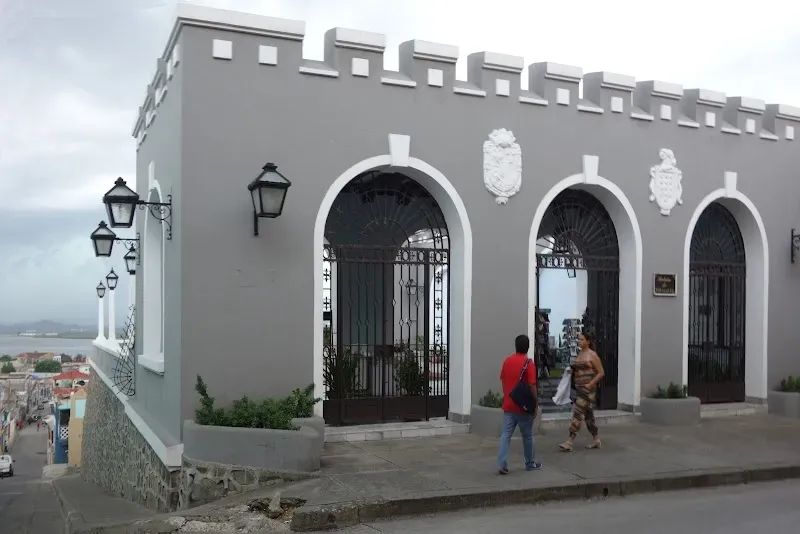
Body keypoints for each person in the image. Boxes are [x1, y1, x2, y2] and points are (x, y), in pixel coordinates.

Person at [497, 334, 542, 474]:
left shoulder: (507, 361)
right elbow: (532, 385)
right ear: (528, 347)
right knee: (527, 435)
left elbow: (503, 381)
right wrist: (535, 403)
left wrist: (507, 397)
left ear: (515, 346)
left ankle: (502, 464)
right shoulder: (529, 364)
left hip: (509, 405)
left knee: (506, 434)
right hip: (523, 407)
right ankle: (530, 463)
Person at [559, 331, 604, 452]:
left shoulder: (592, 355)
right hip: (579, 389)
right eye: (579, 339)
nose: (579, 341)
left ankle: (569, 441)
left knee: (577, 413)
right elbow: (578, 370)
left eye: (582, 339)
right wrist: (571, 372)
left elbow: (601, 372)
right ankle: (596, 439)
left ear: (588, 341)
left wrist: (591, 384)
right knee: (589, 416)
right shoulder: (579, 354)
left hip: (587, 390)